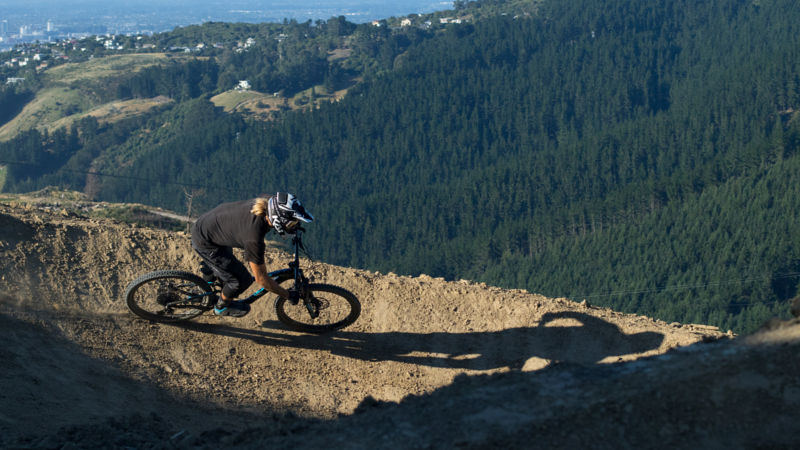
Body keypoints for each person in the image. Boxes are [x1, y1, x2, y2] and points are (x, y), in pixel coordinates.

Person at [191, 192, 314, 317]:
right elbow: (261, 279)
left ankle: (206, 281)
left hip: (209, 225)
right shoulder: (254, 238)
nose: (294, 226)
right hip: (206, 241)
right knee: (240, 280)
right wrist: (287, 295)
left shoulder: (269, 203)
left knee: (226, 269)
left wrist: (293, 223)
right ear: (277, 220)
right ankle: (221, 307)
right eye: (291, 224)